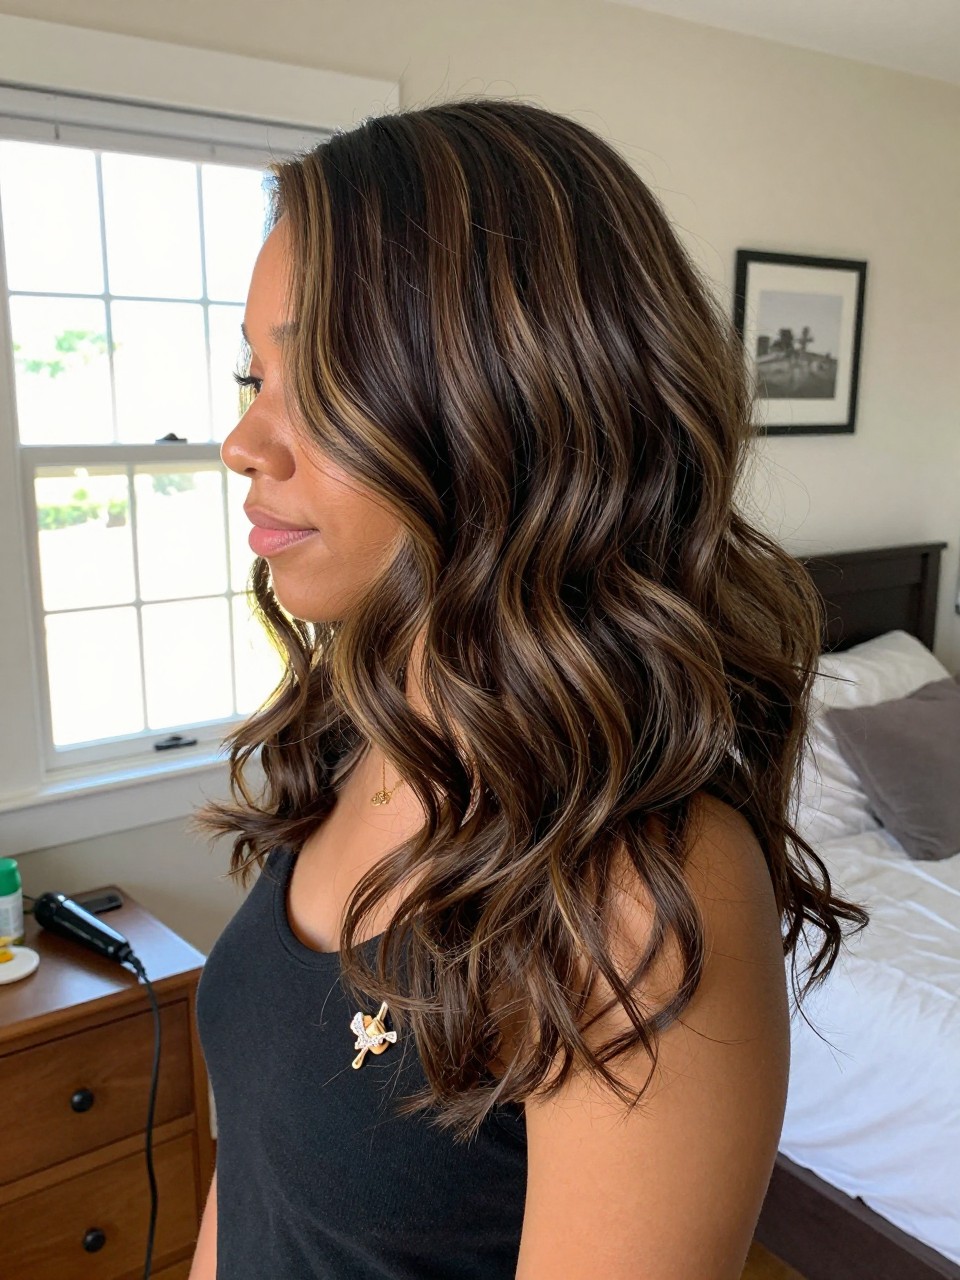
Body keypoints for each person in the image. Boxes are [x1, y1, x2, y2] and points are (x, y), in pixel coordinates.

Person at [189, 98, 868, 1280]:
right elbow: (251, 1187)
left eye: (320, 379)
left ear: (512, 407)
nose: (244, 440)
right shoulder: (355, 737)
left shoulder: (640, 892)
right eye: (255, 370)